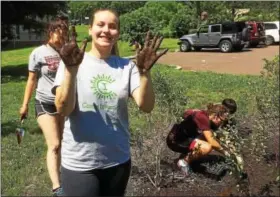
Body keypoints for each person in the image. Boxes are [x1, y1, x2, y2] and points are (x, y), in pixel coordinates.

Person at [51, 8, 168, 196]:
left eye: (112, 26)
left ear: (118, 33)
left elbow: (146, 106)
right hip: (80, 162)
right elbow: (63, 109)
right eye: (100, 25)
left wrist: (145, 74)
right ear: (90, 29)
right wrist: (71, 70)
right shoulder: (71, 61)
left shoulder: (126, 66)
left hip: (118, 160)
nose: (106, 30)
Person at [19, 16, 69, 196]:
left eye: (64, 32)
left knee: (63, 143)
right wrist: (24, 105)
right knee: (54, 144)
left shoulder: (67, 51)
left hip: (63, 104)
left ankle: (63, 175)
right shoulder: (38, 53)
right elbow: (31, 80)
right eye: (59, 31)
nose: (62, 35)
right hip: (44, 103)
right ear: (51, 32)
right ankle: (57, 187)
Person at [166, 103, 231, 176]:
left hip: (180, 138)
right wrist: (227, 153)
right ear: (216, 116)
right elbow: (212, 142)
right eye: (222, 120)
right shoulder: (202, 118)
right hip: (175, 142)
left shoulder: (204, 114)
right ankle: (183, 163)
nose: (221, 123)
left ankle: (183, 157)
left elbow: (186, 113)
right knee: (207, 147)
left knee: (207, 136)